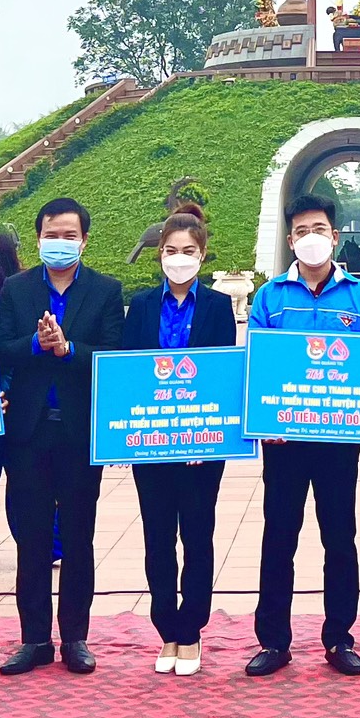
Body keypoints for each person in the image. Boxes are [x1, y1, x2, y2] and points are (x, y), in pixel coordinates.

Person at [246, 193, 360, 677]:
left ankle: (340, 638)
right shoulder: (270, 297)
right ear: (290, 240)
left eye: (320, 230)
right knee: (278, 538)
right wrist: (264, 419)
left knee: (340, 538)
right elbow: (257, 368)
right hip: (284, 443)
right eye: (302, 231)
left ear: (335, 236)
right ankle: (273, 642)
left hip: (338, 442)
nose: (311, 238)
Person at [0, 197, 127, 675]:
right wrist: (36, 343)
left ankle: (75, 638)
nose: (61, 242)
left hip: (78, 431)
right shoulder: (16, 288)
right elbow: (0, 348)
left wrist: (68, 348)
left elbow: (114, 354)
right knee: (30, 539)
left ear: (84, 241)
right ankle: (34, 640)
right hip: (27, 432)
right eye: (53, 235)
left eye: (70, 235)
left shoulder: (106, 290)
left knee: (77, 538)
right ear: (38, 238)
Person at [120, 208, 238, 676]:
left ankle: (191, 630)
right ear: (160, 255)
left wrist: (202, 439)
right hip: (151, 443)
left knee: (197, 535)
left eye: (188, 251)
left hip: (201, 447)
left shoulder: (217, 307)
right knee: (157, 538)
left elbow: (221, 373)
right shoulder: (142, 306)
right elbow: (128, 371)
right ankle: (166, 628)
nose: (179, 258)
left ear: (202, 255)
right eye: (171, 250)